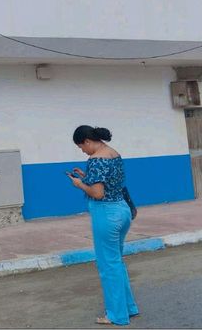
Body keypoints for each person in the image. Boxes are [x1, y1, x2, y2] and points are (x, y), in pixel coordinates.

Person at [66, 125, 139, 326]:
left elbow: (98, 194)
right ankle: (129, 307)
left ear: (87, 141)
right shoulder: (113, 153)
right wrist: (86, 176)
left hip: (107, 214)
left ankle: (116, 315)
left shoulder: (96, 160)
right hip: (122, 210)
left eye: (81, 147)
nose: (83, 151)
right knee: (116, 261)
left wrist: (79, 184)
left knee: (108, 265)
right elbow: (111, 182)